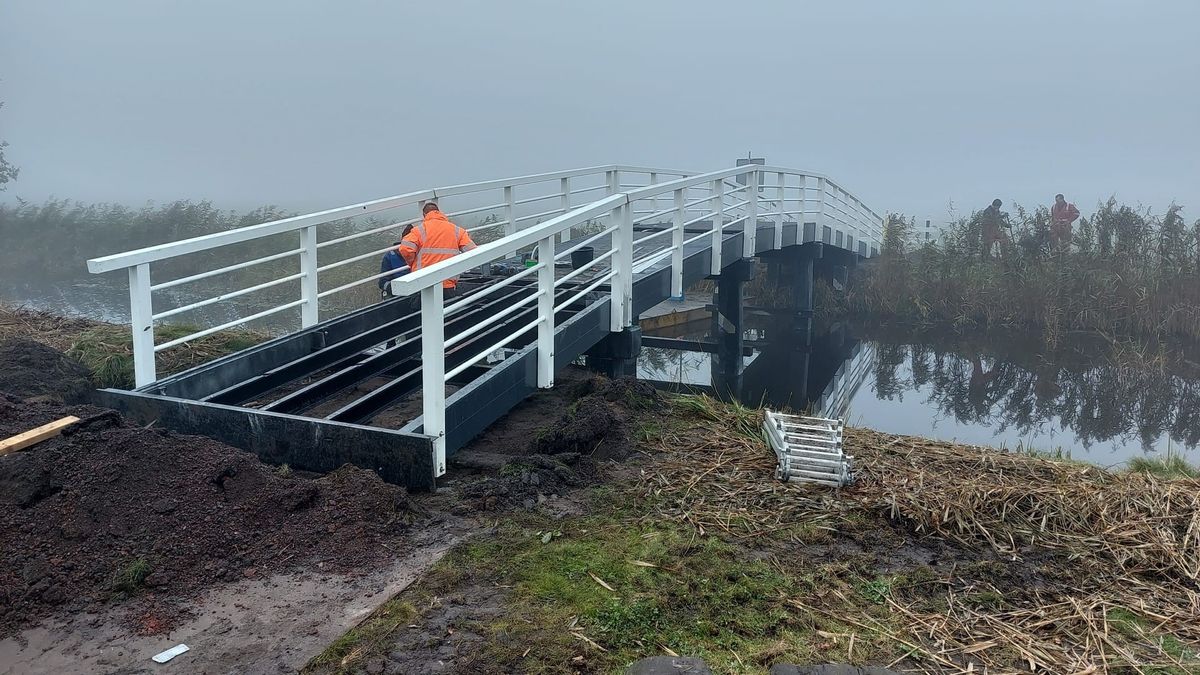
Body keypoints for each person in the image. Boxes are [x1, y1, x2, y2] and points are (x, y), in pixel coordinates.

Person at [397, 202, 477, 297]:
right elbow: (473, 252)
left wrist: (412, 263)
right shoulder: (457, 231)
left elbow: (406, 249)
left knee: (422, 310)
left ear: (424, 215)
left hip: (422, 282)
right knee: (447, 309)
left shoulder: (418, 230)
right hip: (447, 282)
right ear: (439, 212)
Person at [378, 224, 414, 299]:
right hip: (397, 295)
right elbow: (382, 282)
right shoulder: (390, 256)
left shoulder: (421, 254)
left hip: (416, 293)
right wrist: (396, 288)